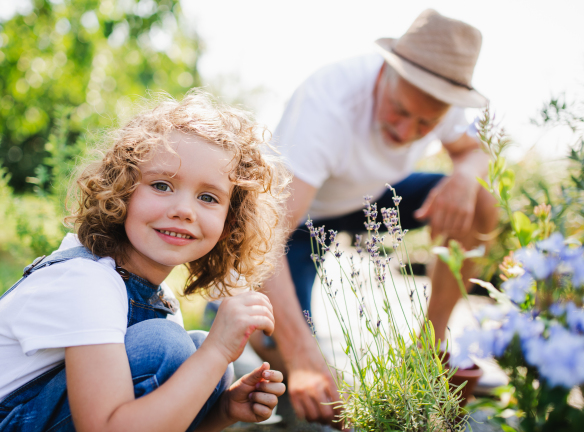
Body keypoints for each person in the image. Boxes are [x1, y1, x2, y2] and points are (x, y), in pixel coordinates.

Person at [248, 9, 499, 428]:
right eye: (399, 111)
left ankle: (428, 352)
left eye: (425, 124)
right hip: (298, 222)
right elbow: (261, 239)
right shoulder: (327, 105)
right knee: (276, 340)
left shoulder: (440, 99)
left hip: (375, 199)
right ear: (385, 69)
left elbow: (474, 151)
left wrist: (464, 177)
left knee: (482, 204)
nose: (405, 132)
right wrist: (303, 355)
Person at [0, 90, 290, 432]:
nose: (183, 210)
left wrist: (223, 409)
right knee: (171, 348)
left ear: (230, 224)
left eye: (208, 197)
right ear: (123, 191)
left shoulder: (160, 300)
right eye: (162, 185)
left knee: (195, 356)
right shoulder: (88, 280)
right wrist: (218, 350)